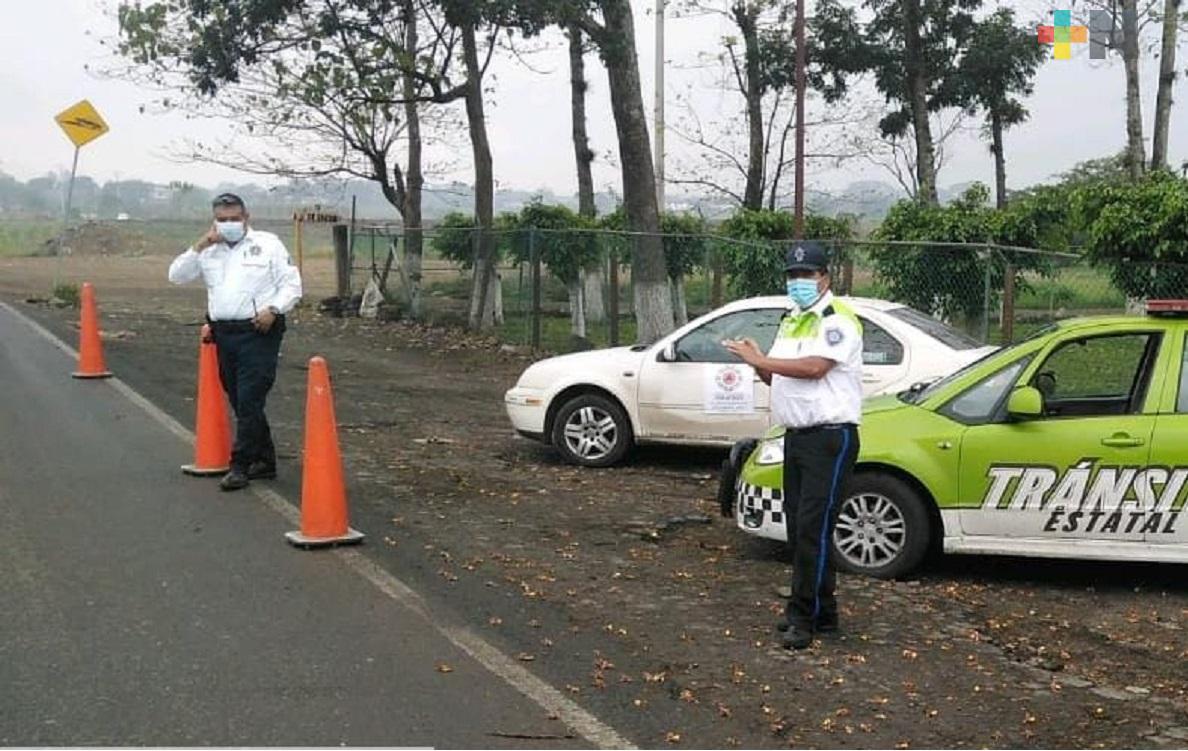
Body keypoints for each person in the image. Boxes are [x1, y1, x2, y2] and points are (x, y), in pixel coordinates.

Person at [724, 241, 862, 650]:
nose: (799, 282)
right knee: (800, 528)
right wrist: (757, 361)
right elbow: (779, 376)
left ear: (825, 277)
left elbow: (816, 368)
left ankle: (803, 616)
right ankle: (824, 611)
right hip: (797, 436)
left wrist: (763, 362)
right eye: (793, 275)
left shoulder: (837, 320)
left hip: (829, 438)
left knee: (812, 531)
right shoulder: (793, 320)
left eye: (807, 275)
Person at [168, 193, 303, 491]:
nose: (229, 224)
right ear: (215, 221)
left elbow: (291, 285)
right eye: (223, 219)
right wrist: (201, 244)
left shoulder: (267, 244)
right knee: (240, 398)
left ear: (246, 217)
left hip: (259, 330)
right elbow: (176, 276)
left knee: (251, 396)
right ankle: (264, 460)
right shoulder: (209, 251)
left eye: (235, 218)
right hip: (224, 333)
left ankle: (239, 464)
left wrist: (274, 309)